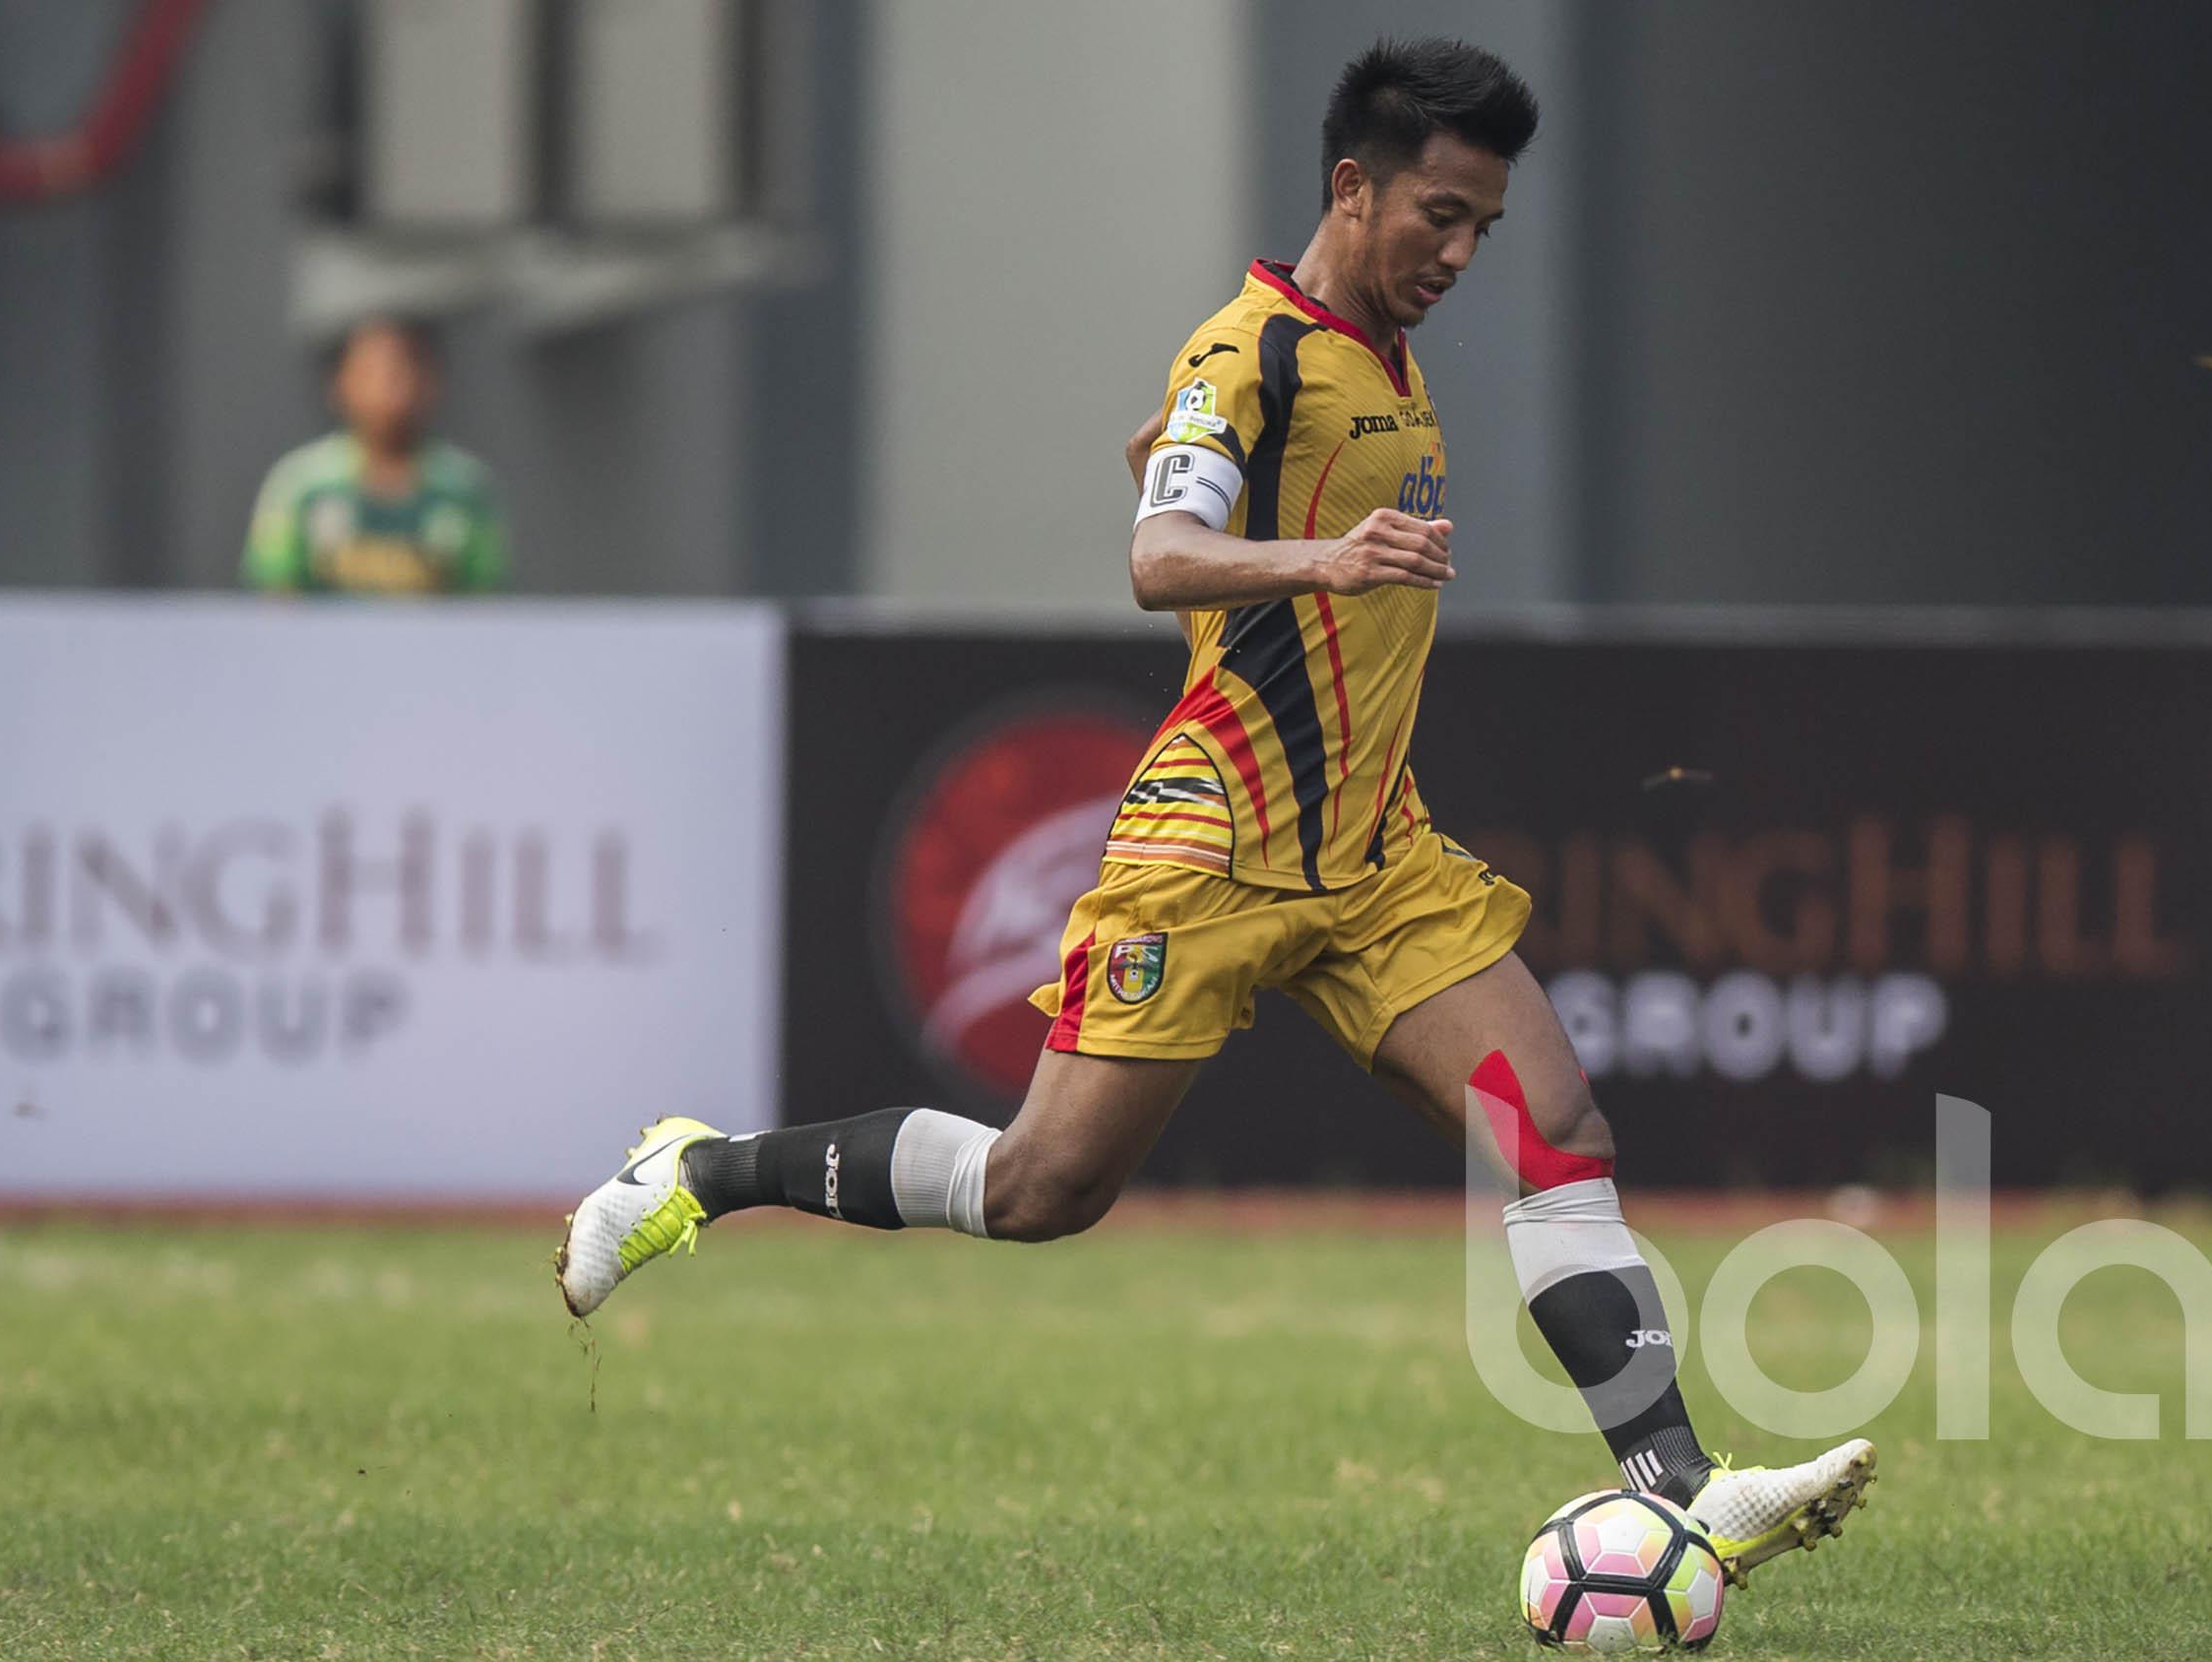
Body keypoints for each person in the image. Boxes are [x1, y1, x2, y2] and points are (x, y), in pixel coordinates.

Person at [554, 37, 1873, 1581]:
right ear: (1350, 185)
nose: (1458, 253)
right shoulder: (1252, 347)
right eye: (1439, 216)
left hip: (1375, 859)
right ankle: (696, 1176)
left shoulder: (1370, 343)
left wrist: (1236, 498)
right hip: (1216, 848)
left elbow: (1177, 473)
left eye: (1484, 230)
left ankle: (1679, 1483)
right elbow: (1157, 554)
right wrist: (1321, 557)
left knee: (1556, 1126)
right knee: (1039, 1189)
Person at [242, 316, 506, 595]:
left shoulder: (466, 490)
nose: (389, 388)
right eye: (372, 372)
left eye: (404, 370)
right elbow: (275, 598)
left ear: (430, 383)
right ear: (341, 383)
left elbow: (482, 608)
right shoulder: (301, 484)